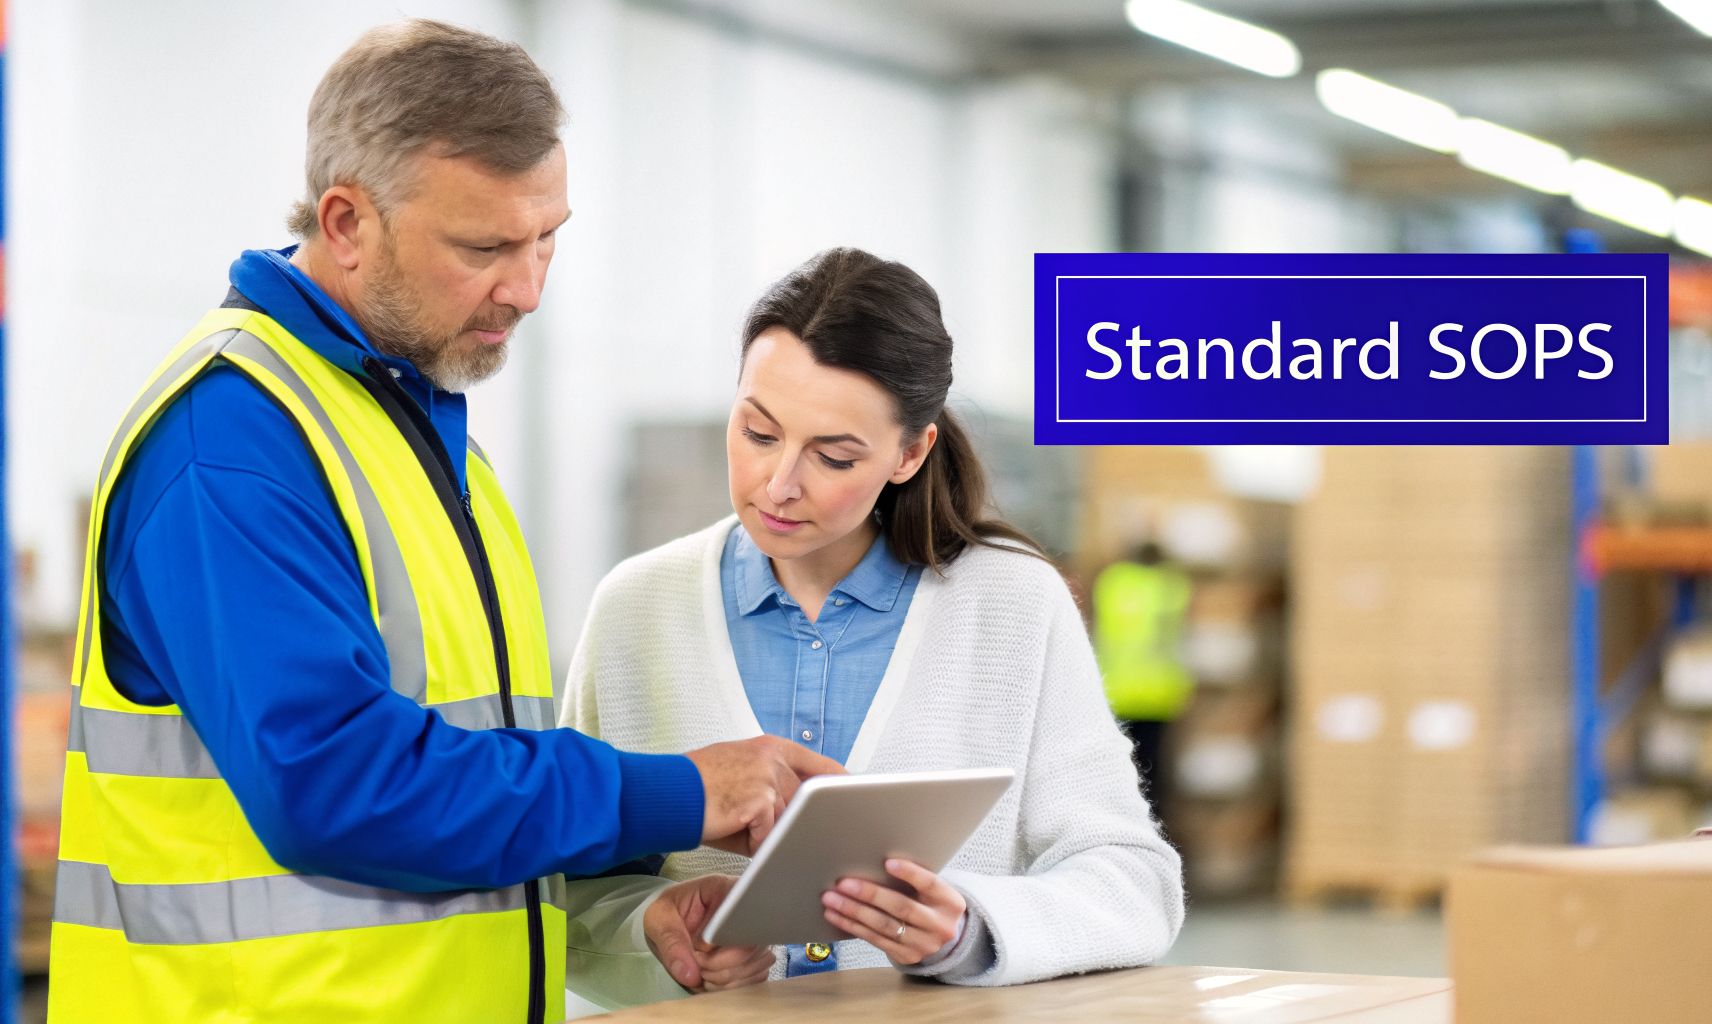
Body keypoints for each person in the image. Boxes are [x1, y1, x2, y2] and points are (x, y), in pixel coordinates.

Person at [48, 21, 838, 1024]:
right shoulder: (230, 446)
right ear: (346, 223)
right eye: (485, 247)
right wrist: (679, 793)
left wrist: (635, 910)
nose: (528, 286)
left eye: (548, 236)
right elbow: (339, 784)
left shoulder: (427, 438)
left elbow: (471, 770)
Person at [560, 247, 1185, 1008]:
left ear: (910, 452)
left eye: (833, 456)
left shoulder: (1013, 605)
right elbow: (568, 886)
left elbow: (1133, 880)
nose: (779, 484)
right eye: (758, 433)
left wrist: (969, 930)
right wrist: (653, 926)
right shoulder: (636, 606)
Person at [1094, 541, 1194, 814]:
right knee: (1153, 776)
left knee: (1117, 770)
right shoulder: (1171, 586)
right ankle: (1151, 828)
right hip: (1157, 694)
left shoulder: (1112, 582)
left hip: (1116, 691)